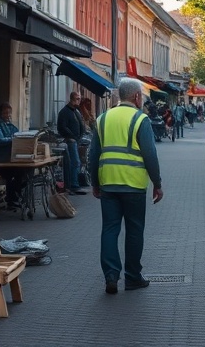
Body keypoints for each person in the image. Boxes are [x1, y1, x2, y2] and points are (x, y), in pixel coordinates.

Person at [88, 77, 163, 294]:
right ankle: (132, 277)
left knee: (109, 229)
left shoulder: (102, 119)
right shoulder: (141, 120)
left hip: (108, 183)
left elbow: (94, 155)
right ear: (137, 97)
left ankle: (111, 275)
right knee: (134, 230)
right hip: (133, 184)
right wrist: (157, 183)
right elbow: (150, 155)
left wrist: (95, 182)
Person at [0, 102, 25, 210]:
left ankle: (15, 197)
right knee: (15, 172)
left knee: (22, 171)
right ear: (0, 113)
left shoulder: (6, 124)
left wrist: (22, 137)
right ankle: (12, 198)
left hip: (5, 159)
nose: (8, 115)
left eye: (9, 113)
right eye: (5, 113)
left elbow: (16, 133)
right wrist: (14, 139)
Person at [57, 90, 88, 195]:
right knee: (74, 162)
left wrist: (81, 133)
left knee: (76, 162)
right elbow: (62, 127)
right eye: (77, 99)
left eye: (79, 98)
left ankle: (74, 183)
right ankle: (73, 185)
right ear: (71, 99)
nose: (79, 101)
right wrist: (71, 136)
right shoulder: (65, 112)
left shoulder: (75, 111)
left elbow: (80, 123)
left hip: (76, 140)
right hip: (70, 141)